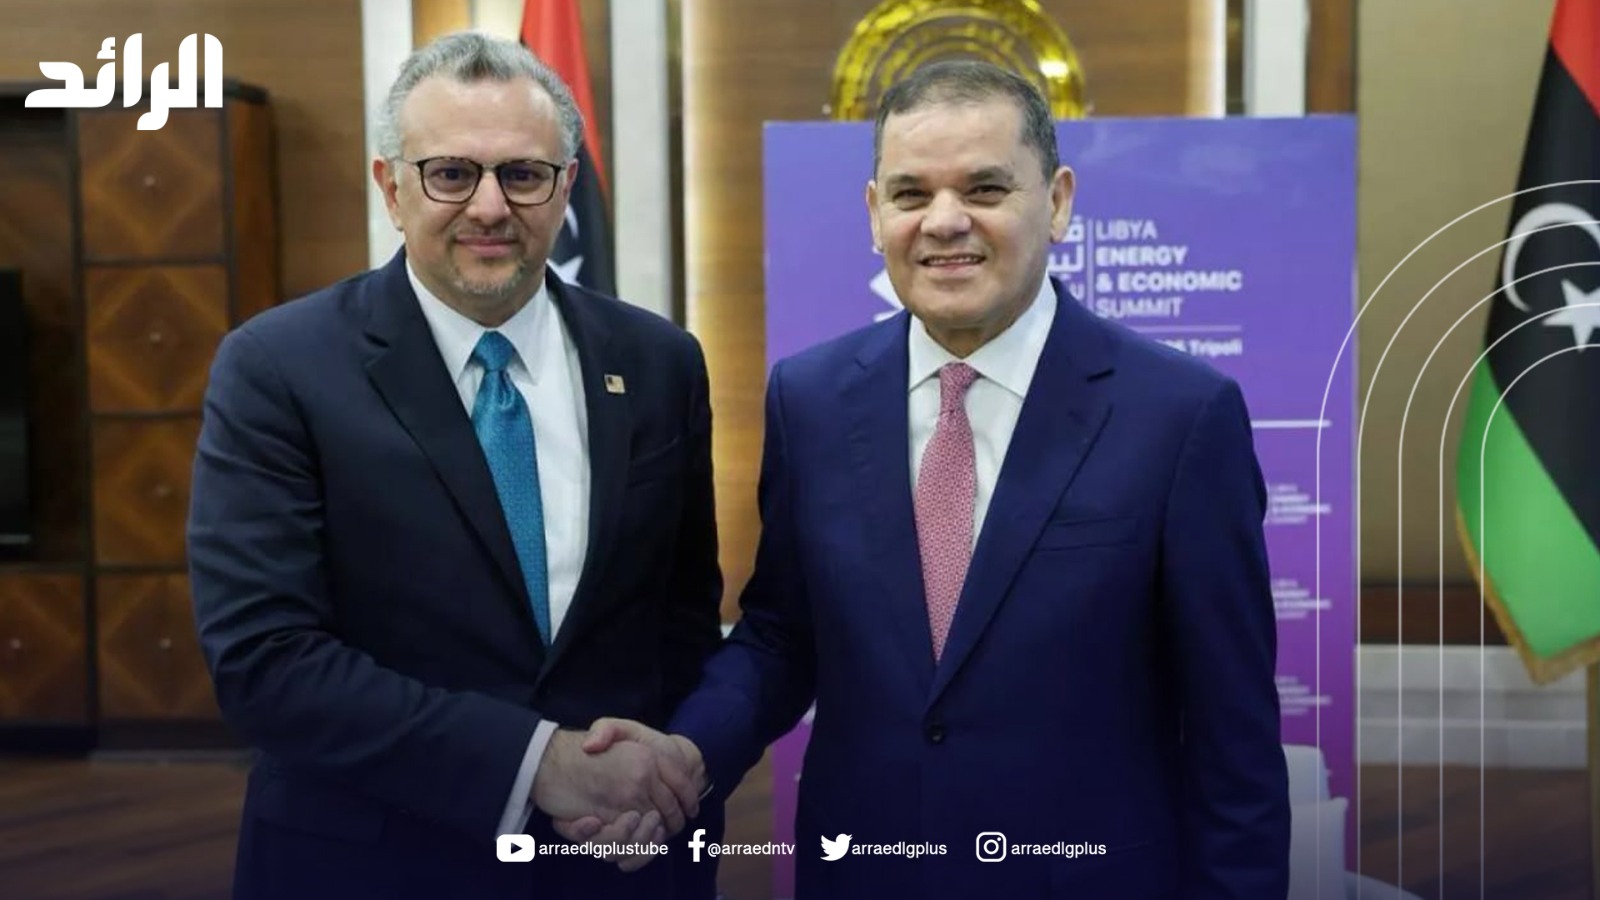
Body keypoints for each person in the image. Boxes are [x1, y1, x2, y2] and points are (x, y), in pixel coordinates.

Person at [578, 59, 1291, 898]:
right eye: (911, 194)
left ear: (1058, 201)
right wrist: (687, 754)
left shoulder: (1179, 416)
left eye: (985, 188)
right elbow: (784, 633)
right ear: (875, 214)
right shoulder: (810, 399)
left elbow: (1233, 737)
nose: (945, 222)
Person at [186, 31, 722, 900]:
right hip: (370, 865)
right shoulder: (278, 368)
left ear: (566, 187)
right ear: (391, 188)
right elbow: (265, 661)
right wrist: (535, 762)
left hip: (619, 864)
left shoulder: (661, 362)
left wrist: (672, 780)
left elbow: (685, 624)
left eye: (523, 174)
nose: (489, 206)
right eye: (450, 174)